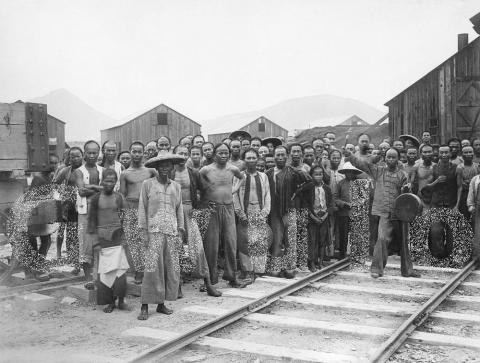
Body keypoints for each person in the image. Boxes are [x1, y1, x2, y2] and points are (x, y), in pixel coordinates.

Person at [346, 148, 418, 278]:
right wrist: (350, 156)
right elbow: (362, 164)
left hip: (400, 213)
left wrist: (406, 189)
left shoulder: (403, 175)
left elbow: (408, 196)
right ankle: (377, 269)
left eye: (393, 157)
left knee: (404, 241)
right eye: (389, 157)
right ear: (385, 158)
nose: (391, 159)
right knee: (382, 239)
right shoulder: (378, 171)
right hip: (384, 212)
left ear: (398, 159)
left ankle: (407, 271)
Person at [137, 151, 185, 319]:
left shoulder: (176, 187)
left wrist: (180, 231)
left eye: (168, 165)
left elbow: (179, 209)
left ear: (172, 167)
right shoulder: (148, 184)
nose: (165, 168)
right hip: (154, 231)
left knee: (168, 269)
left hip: (171, 232)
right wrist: (143, 231)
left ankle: (161, 304)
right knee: (151, 269)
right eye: (162, 165)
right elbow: (142, 208)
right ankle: (144, 305)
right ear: (156, 168)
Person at [172, 145, 221, 297]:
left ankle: (208, 284)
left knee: (197, 249)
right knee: (176, 249)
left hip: (189, 212)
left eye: (185, 154)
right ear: (174, 155)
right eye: (179, 153)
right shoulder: (169, 173)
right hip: (173, 214)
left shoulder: (193, 173)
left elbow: (206, 190)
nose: (182, 156)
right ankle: (177, 286)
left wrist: (199, 207)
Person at [200, 143, 245, 287]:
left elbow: (242, 177)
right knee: (211, 245)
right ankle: (210, 280)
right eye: (220, 153)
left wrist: (234, 189)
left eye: (226, 153)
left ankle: (232, 277)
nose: (224, 155)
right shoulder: (206, 170)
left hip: (229, 208)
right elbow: (198, 185)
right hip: (213, 210)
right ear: (214, 154)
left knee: (231, 243)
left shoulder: (233, 168)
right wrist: (205, 200)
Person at [87, 169, 129, 313]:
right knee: (105, 272)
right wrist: (95, 243)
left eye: (112, 181)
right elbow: (91, 222)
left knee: (120, 272)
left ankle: (121, 300)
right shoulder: (95, 199)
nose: (109, 183)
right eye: (107, 180)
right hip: (102, 238)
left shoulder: (120, 198)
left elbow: (126, 219)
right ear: (101, 181)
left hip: (117, 236)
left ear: (116, 182)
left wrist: (124, 238)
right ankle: (110, 301)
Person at [266, 146, 309, 278]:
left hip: (290, 210)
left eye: (283, 155)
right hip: (274, 211)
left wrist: (296, 194)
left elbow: (309, 183)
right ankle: (276, 266)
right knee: (277, 240)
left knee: (290, 239)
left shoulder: (293, 171)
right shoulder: (268, 173)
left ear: (287, 156)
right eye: (277, 155)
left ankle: (290, 266)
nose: (280, 158)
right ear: (274, 157)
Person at [120, 141, 157, 284]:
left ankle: (151, 271)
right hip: (131, 208)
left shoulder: (151, 171)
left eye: (139, 151)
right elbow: (122, 195)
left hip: (147, 208)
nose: (136, 154)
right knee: (133, 241)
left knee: (149, 240)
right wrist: (124, 215)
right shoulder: (125, 173)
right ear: (130, 153)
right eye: (134, 151)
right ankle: (138, 271)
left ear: (144, 153)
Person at [233, 149, 271, 281]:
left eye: (253, 158)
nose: (251, 160)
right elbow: (235, 196)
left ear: (257, 159)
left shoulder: (263, 176)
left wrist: (265, 212)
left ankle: (259, 270)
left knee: (259, 240)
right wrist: (240, 213)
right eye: (248, 158)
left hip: (259, 212)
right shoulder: (239, 176)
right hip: (245, 212)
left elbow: (267, 196)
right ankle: (247, 270)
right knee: (245, 240)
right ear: (244, 160)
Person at [421, 145, 461, 258]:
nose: (444, 155)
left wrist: (457, 205)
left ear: (450, 153)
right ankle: (438, 257)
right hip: (436, 205)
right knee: (435, 231)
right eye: (441, 152)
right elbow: (426, 188)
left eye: (446, 152)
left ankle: (449, 256)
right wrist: (436, 182)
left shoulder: (457, 168)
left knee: (451, 233)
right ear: (438, 154)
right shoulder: (433, 168)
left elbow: (459, 187)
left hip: (451, 204)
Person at [74, 140, 104, 289]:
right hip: (85, 211)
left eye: (95, 153)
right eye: (89, 153)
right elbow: (81, 191)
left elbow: (108, 189)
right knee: (85, 244)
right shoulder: (79, 171)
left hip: (102, 211)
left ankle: (99, 277)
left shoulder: (103, 170)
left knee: (100, 243)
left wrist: (90, 187)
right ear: (84, 153)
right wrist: (98, 188)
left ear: (99, 153)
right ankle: (87, 278)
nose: (92, 155)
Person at [53, 147, 83, 269]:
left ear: (82, 156)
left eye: (78, 156)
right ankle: (72, 258)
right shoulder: (65, 171)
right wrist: (63, 193)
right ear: (69, 158)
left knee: (80, 232)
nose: (75, 158)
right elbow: (55, 183)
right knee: (69, 233)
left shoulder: (87, 170)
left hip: (83, 205)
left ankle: (80, 258)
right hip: (68, 206)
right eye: (72, 156)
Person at [306, 165, 333, 271]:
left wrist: (325, 215)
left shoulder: (326, 188)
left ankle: (320, 262)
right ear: (311, 175)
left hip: (324, 218)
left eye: (320, 174)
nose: (318, 177)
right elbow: (306, 205)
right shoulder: (309, 188)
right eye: (316, 174)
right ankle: (312, 262)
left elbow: (330, 204)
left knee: (322, 241)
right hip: (313, 218)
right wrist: (313, 217)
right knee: (312, 241)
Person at [334, 162, 363, 259]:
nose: (349, 174)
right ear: (345, 172)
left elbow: (364, 198)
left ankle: (356, 255)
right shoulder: (341, 183)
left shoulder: (360, 183)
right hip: (343, 213)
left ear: (355, 173)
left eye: (352, 172)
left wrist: (357, 203)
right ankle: (342, 255)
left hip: (356, 213)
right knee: (343, 234)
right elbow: (335, 198)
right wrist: (344, 204)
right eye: (347, 172)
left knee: (356, 234)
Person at [456, 146, 479, 218]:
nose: (468, 154)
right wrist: (457, 204)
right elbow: (459, 186)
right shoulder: (460, 168)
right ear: (462, 155)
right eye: (466, 152)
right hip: (464, 195)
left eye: (470, 152)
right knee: (465, 218)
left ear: (473, 153)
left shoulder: (477, 166)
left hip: (476, 195)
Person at [466, 173, 480, 259]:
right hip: (479, 208)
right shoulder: (475, 180)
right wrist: (470, 205)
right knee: (478, 233)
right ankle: (477, 257)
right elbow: (471, 193)